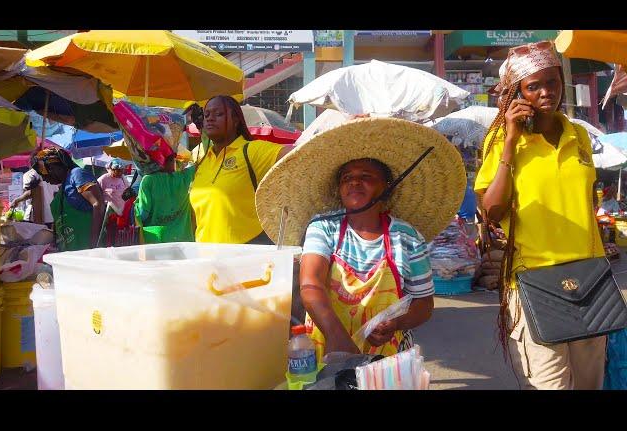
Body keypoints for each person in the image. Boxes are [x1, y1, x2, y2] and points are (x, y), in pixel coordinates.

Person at [255, 117, 466, 362]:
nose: (354, 181)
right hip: (328, 346)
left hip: (388, 356)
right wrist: (338, 338)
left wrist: (397, 322)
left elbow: (424, 304)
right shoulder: (323, 227)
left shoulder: (406, 237)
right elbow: (310, 285)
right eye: (346, 177)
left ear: (387, 187)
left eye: (366, 176)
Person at [475, 40, 607, 390]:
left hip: (590, 279)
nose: (546, 92)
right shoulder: (504, 140)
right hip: (533, 282)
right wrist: (510, 143)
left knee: (588, 385)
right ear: (517, 94)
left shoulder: (578, 135)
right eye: (533, 86)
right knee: (550, 385)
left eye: (552, 82)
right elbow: (491, 211)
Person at [188, 95, 292, 244]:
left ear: (236, 120)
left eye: (219, 114)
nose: (210, 119)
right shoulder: (201, 157)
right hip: (206, 258)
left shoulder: (252, 151)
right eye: (207, 115)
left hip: (245, 257)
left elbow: (300, 152)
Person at [31, 148, 106, 251]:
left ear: (54, 166)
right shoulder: (63, 187)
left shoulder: (77, 175)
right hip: (70, 253)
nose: (44, 178)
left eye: (43, 173)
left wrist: (93, 246)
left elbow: (98, 204)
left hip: (87, 250)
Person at [134, 154, 195, 243]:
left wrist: (136, 206)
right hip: (183, 240)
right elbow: (196, 165)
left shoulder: (148, 180)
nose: (173, 163)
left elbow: (143, 213)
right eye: (171, 160)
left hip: (158, 241)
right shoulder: (183, 176)